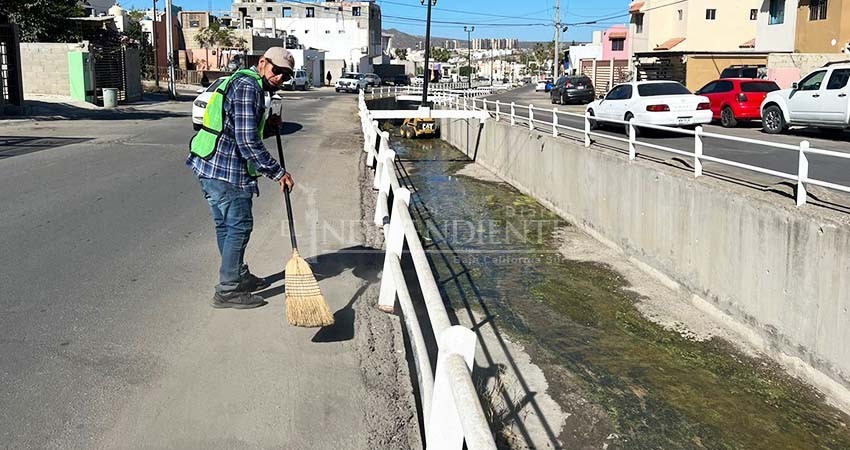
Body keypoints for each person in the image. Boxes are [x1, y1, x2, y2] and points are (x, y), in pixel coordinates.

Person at [187, 47, 297, 309]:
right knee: (239, 227)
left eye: (287, 75)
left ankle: (237, 276)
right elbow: (247, 141)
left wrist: (268, 126)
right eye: (277, 70)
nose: (280, 77)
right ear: (262, 63)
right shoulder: (250, 87)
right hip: (227, 171)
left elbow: (236, 124)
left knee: (226, 227)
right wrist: (278, 172)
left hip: (210, 165)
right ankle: (228, 290)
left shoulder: (241, 79)